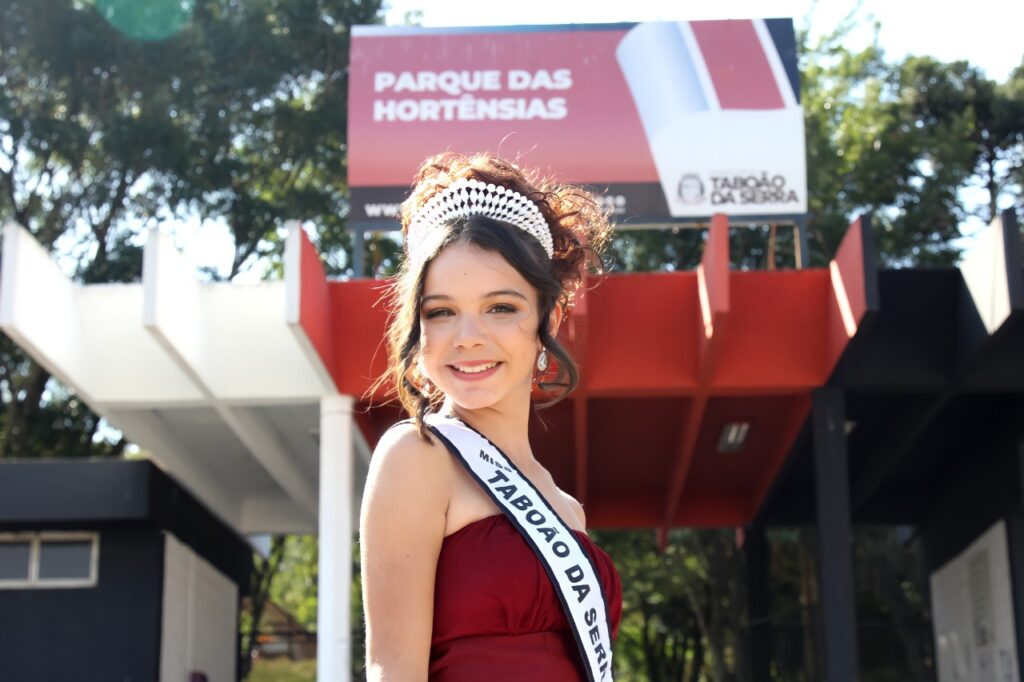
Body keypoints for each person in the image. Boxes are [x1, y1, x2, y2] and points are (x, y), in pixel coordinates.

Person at [360, 151, 623, 681]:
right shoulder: (418, 457)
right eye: (441, 312)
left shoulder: (565, 509)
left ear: (547, 318)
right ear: (419, 329)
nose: (468, 337)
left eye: (501, 307)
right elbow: (392, 669)